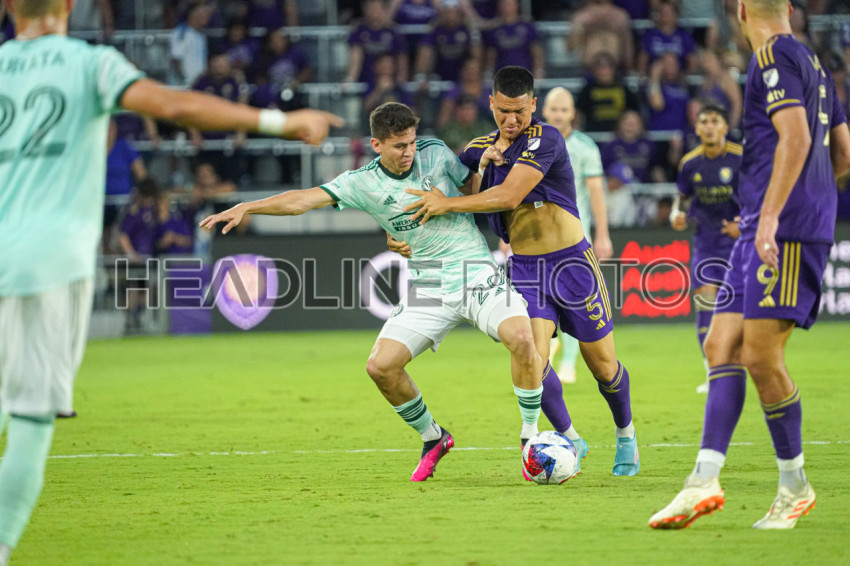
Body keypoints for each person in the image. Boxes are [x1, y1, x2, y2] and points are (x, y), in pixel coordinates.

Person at [0, 1, 342, 562]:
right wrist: (280, 122)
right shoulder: (88, 62)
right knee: (31, 419)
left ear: (10, 7)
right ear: (68, 5)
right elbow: (175, 104)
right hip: (48, 263)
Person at [200, 101, 544, 482]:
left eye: (411, 142)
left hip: (473, 270)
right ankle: (433, 436)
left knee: (522, 338)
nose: (409, 152)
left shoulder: (434, 152)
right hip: (428, 285)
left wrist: (482, 172)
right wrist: (249, 207)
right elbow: (302, 200)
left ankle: (530, 438)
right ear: (376, 145)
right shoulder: (362, 183)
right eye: (399, 146)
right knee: (380, 367)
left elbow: (473, 192)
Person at [649, 0, 850, 530]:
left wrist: (776, 215)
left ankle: (795, 487)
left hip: (779, 231)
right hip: (769, 224)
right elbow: (843, 154)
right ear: (788, 8)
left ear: (740, 10)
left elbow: (797, 137)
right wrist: (809, 200)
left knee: (760, 357)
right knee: (721, 346)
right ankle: (703, 480)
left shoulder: (770, 57)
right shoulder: (815, 65)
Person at [401, 66, 640, 477]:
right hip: (527, 270)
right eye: (503, 112)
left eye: (520, 111)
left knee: (603, 367)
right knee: (532, 358)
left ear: (533, 105)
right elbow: (441, 192)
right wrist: (404, 234)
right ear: (491, 103)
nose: (511, 120)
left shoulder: (547, 138)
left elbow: (509, 195)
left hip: (572, 264)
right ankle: (571, 437)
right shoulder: (477, 148)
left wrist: (448, 203)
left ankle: (626, 433)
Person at [540, 87, 613, 384]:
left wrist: (603, 234)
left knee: (575, 300)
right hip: (536, 236)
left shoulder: (585, 147)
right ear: (544, 111)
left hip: (574, 238)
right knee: (541, 297)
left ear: (573, 113)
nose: (558, 114)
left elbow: (596, 192)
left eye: (564, 110)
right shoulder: (531, 143)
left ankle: (568, 363)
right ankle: (549, 345)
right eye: (554, 109)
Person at [669, 103, 742, 394]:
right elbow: (682, 200)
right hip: (706, 245)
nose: (709, 126)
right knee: (705, 307)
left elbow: (759, 197)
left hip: (740, 246)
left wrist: (745, 223)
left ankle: (739, 367)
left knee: (738, 311)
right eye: (704, 122)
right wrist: (677, 215)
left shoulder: (741, 158)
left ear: (725, 126)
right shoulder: (690, 163)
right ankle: (712, 372)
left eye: (715, 121)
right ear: (697, 128)